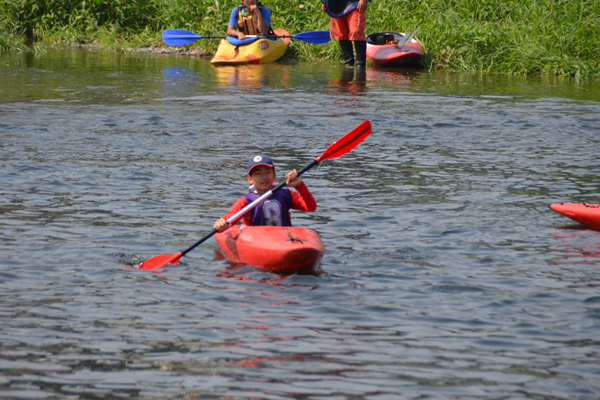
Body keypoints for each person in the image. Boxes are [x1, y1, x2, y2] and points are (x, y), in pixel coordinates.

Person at [214, 155, 317, 232]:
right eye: (258, 174)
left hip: (284, 239)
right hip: (256, 241)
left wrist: (299, 185)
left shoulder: (286, 194)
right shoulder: (246, 201)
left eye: (268, 172)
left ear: (274, 175)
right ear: (250, 179)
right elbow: (229, 219)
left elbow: (311, 207)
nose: (264, 177)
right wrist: (221, 223)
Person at [321, 0, 371, 68]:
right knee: (341, 33)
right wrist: (324, 2)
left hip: (355, 4)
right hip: (336, 6)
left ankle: (360, 65)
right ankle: (348, 64)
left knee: (356, 31)